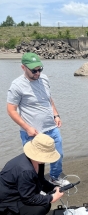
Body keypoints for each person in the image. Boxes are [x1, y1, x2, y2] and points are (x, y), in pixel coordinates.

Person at [7, 52, 69, 186]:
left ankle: (55, 177)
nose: (38, 73)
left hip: (51, 128)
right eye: (34, 70)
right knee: (34, 162)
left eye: (40, 69)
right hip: (32, 132)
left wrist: (56, 115)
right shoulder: (17, 85)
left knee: (58, 155)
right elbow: (11, 110)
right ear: (23, 68)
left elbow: (49, 99)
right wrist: (27, 128)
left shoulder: (44, 79)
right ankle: (35, 185)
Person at [0, 134, 64, 215]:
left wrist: (52, 188)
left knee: (43, 204)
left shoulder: (36, 161)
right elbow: (29, 198)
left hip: (15, 197)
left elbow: (40, 180)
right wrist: (51, 198)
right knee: (40, 208)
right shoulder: (25, 170)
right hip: (4, 206)